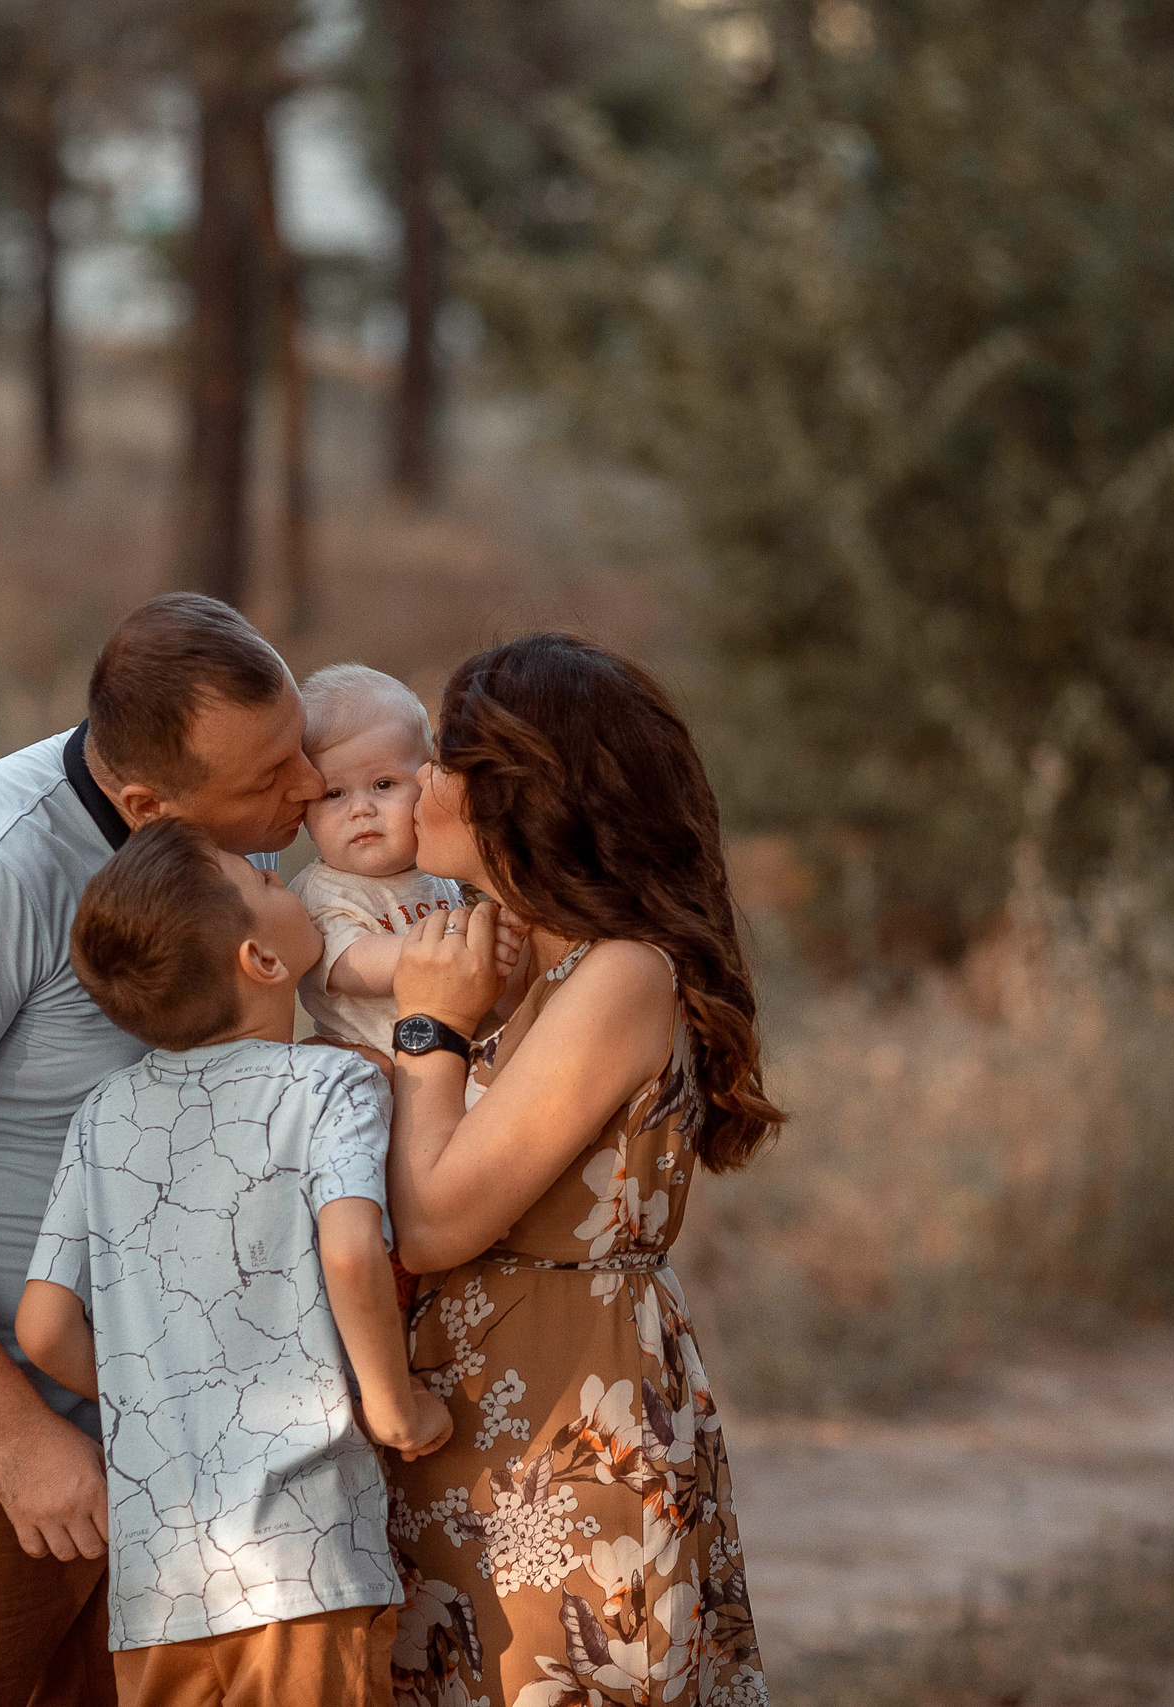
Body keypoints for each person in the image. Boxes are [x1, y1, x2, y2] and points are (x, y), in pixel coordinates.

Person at [0, 593, 323, 1707]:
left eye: (301, 750)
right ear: (146, 804)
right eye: (270, 777)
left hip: (134, 1420)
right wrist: (13, 1433)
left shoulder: (238, 878)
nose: (308, 787)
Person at [378, 634, 780, 1707]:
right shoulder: (543, 967)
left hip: (562, 1430)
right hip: (486, 1418)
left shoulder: (619, 975)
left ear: (518, 793)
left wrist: (429, 1027)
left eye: (441, 760)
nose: (418, 782)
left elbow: (433, 1221)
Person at [15, 818, 452, 1707]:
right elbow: (349, 1248)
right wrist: (393, 1405)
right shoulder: (331, 1084)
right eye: (268, 885)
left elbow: (43, 1327)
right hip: (304, 1558)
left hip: (161, 1580)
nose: (290, 883)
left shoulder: (104, 1114)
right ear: (261, 959)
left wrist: (160, 1390)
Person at [288, 665, 467, 1057]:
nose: (361, 809)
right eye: (334, 794)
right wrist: (450, 947)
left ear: (424, 782)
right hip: (381, 1068)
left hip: (458, 1047)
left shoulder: (441, 871)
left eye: (383, 785)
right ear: (303, 813)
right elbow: (350, 965)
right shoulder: (319, 891)